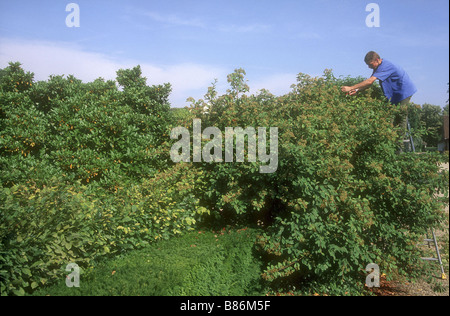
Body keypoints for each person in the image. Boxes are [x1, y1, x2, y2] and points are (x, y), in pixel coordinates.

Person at [341, 51, 417, 152]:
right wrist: (356, 90)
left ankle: (399, 149)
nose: (369, 67)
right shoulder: (378, 67)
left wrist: (351, 87)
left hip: (404, 92)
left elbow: (369, 81)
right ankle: (387, 144)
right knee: (389, 117)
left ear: (377, 60)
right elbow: (369, 83)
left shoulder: (386, 66)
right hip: (394, 94)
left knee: (401, 115)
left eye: (370, 64)